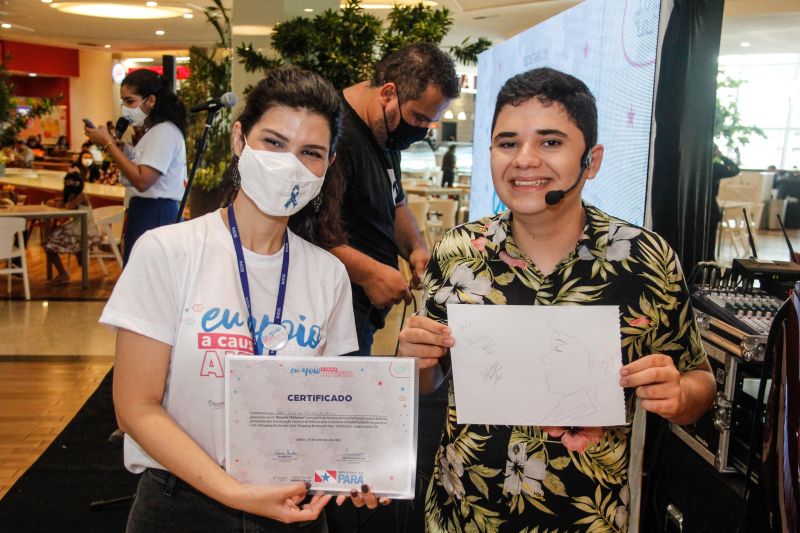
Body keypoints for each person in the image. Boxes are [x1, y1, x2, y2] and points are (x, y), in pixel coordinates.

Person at [397, 67, 716, 531]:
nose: (524, 160)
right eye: (507, 143)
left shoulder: (645, 260)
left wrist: (680, 393)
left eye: (550, 142)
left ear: (592, 160)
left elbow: (698, 381)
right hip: (464, 513)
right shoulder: (457, 251)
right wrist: (415, 359)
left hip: (587, 518)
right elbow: (427, 384)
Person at [99, 67, 383, 531]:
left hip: (293, 505)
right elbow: (135, 406)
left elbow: (327, 407)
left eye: (310, 152)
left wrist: (362, 466)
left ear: (329, 165)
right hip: (181, 504)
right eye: (273, 142)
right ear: (239, 139)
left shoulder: (328, 273)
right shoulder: (168, 251)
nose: (289, 163)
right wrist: (235, 492)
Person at [329, 42, 460, 355]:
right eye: (417, 118)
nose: (422, 131)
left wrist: (415, 247)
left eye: (430, 122)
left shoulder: (385, 131)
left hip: (364, 314)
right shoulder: (334, 135)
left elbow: (395, 201)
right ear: (388, 93)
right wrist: (370, 273)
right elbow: (304, 232)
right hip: (332, 316)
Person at [85, 69, 187, 265]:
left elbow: (143, 180)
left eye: (130, 101)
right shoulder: (154, 131)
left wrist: (109, 144)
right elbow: (141, 165)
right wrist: (120, 149)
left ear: (151, 100)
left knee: (148, 281)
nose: (125, 108)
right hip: (144, 210)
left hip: (156, 212)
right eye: (123, 102)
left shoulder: (164, 132)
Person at [43, 168, 101, 284]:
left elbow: (68, 207)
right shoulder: (73, 196)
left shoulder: (82, 196)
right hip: (77, 227)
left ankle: (64, 273)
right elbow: (59, 204)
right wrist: (57, 202)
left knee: (49, 244)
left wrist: (62, 202)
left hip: (84, 229)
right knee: (48, 242)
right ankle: (71, 264)